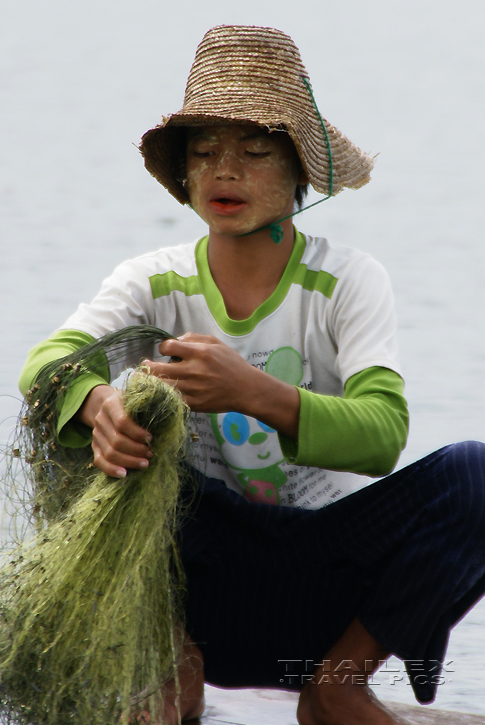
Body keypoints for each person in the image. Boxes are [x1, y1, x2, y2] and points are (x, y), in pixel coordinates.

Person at [19, 25, 485, 725]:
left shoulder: (347, 280)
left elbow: (384, 432)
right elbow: (44, 363)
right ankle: (170, 671)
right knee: (72, 424)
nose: (223, 171)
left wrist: (254, 393)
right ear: (182, 173)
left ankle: (339, 686)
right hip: (199, 583)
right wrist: (99, 406)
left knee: (473, 472)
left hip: (324, 585)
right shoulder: (152, 280)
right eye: (203, 153)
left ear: (298, 168)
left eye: (254, 152)